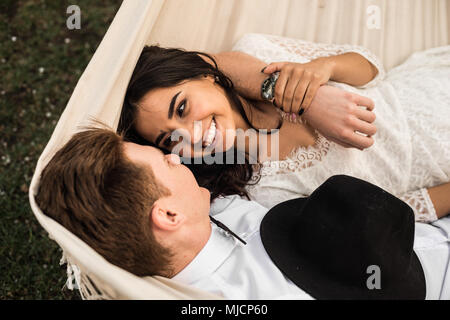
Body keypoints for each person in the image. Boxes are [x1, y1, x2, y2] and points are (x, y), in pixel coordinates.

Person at [36, 128, 450, 299]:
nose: (178, 160)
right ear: (168, 216)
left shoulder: (207, 208)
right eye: (165, 163)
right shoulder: (243, 296)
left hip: (423, 229)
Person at [118, 33, 450, 223]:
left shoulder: (258, 53)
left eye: (182, 107)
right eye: (170, 138)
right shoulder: (265, 190)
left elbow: (373, 69)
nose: (190, 134)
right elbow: (383, 214)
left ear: (206, 75)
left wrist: (322, 70)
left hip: (425, 87)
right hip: (439, 164)